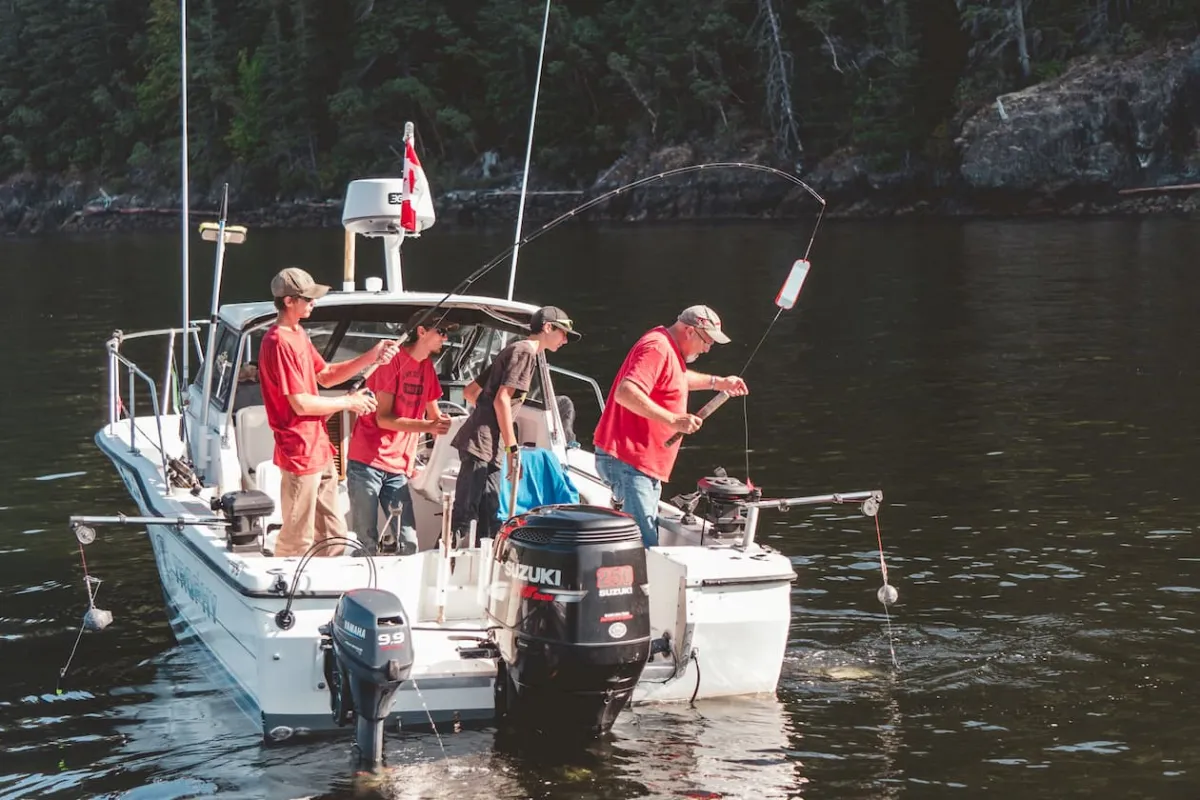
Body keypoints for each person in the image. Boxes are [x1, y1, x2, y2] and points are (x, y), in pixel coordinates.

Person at [257, 267, 399, 558]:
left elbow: (327, 376)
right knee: (298, 537)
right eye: (308, 299)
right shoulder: (278, 341)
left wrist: (373, 355)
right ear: (288, 301)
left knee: (334, 535)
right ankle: (287, 592)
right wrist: (349, 403)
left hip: (319, 447)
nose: (313, 303)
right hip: (298, 450)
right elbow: (301, 403)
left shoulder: (298, 334)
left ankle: (328, 589)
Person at [592, 305, 749, 547]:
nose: (708, 349)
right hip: (630, 461)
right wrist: (674, 420)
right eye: (707, 341)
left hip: (643, 464)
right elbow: (626, 392)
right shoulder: (657, 347)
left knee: (643, 535)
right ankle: (639, 583)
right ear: (689, 330)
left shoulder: (670, 350)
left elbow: (678, 377)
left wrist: (718, 383)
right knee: (642, 542)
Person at [450, 306, 579, 544]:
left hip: (486, 445)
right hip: (484, 444)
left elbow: (470, 392)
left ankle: (483, 566)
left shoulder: (514, 350)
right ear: (547, 327)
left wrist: (487, 416)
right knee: (465, 516)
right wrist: (512, 448)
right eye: (563, 333)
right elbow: (502, 399)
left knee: (490, 515)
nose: (565, 340)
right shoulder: (526, 353)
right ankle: (447, 566)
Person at [346, 312, 454, 555]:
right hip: (367, 462)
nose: (445, 338)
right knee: (366, 542)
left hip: (398, 468)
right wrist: (428, 427)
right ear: (422, 332)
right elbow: (384, 419)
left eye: (447, 333)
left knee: (409, 543)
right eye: (441, 331)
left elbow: (435, 418)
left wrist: (448, 434)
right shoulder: (392, 362)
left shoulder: (427, 367)